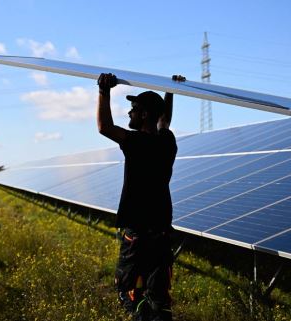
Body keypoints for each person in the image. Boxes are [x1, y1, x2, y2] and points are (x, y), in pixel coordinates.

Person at [97, 73, 178, 321]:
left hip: (138, 233)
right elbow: (164, 120)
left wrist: (103, 90)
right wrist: (170, 90)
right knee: (159, 296)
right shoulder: (167, 141)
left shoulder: (135, 142)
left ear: (143, 115)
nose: (129, 114)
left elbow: (104, 127)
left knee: (129, 292)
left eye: (133, 110)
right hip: (162, 229)